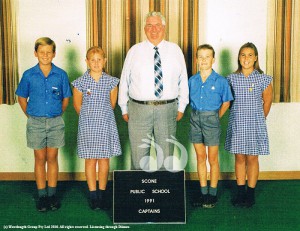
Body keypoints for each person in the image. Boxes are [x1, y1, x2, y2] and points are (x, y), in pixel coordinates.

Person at [118, 11, 189, 171]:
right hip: (138, 109)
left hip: (167, 109)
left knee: (166, 154)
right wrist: (123, 107)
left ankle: (163, 195)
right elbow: (124, 81)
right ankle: (139, 194)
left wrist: (182, 106)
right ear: (144, 29)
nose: (154, 29)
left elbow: (183, 79)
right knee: (138, 157)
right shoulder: (134, 51)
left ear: (164, 27)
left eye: (157, 25)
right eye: (149, 25)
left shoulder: (175, 50)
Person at [16, 37, 72, 212]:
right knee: (40, 159)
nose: (45, 55)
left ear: (54, 54)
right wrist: (31, 115)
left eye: (49, 52)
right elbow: (22, 98)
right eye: (42, 52)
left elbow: (66, 99)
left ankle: (52, 195)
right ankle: (42, 196)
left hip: (55, 122)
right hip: (36, 122)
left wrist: (56, 114)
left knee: (52, 158)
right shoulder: (28, 75)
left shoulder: (61, 74)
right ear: (35, 53)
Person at [72, 46, 121, 210]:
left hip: (105, 124)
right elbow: (77, 106)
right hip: (88, 126)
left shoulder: (112, 82)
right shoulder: (80, 83)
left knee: (104, 159)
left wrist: (100, 117)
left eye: (99, 59)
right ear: (86, 61)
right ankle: (93, 194)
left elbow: (112, 104)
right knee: (91, 160)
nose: (96, 63)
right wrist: (90, 118)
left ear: (104, 61)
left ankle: (102, 193)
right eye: (92, 60)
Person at [225, 42, 273, 208]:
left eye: (250, 55)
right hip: (237, 122)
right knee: (239, 157)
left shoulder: (263, 78)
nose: (246, 58)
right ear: (239, 58)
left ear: (256, 58)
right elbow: (227, 101)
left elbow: (267, 101)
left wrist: (259, 118)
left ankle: (250, 193)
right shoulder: (231, 78)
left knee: (252, 157)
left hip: (255, 123)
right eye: (243, 55)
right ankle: (240, 192)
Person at [189, 44, 233, 208]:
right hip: (195, 120)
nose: (204, 60)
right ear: (196, 60)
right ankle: (203, 192)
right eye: (200, 56)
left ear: (213, 59)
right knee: (201, 157)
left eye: (207, 56)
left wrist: (215, 117)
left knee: (213, 158)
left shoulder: (221, 81)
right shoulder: (192, 81)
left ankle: (212, 194)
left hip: (211, 120)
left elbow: (226, 102)